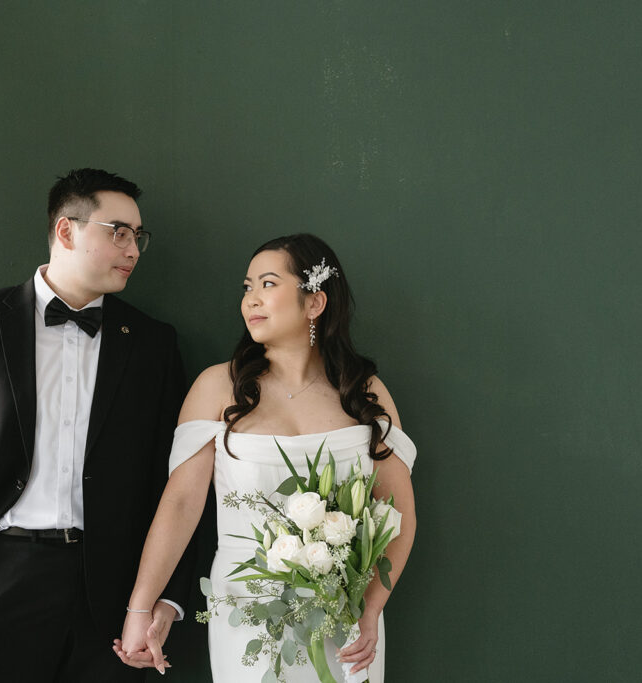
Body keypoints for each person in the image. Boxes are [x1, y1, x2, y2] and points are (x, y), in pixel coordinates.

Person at [0, 168, 193, 682]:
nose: (133, 249)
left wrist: (156, 600)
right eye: (118, 232)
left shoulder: (153, 344)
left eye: (138, 236)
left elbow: (169, 480)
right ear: (66, 231)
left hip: (113, 592)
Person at [114, 234, 417, 682]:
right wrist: (140, 607)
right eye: (246, 287)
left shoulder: (364, 389)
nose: (251, 299)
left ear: (314, 303)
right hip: (244, 607)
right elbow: (180, 505)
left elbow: (398, 514)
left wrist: (370, 609)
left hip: (345, 617)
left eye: (268, 284)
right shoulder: (219, 386)